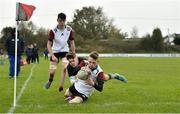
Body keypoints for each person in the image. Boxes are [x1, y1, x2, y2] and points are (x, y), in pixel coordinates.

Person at [44, 12, 76, 92]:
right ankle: (50, 81)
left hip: (65, 51)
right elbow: (48, 44)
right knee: (52, 71)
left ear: (65, 21)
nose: (62, 22)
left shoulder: (69, 29)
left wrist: (74, 53)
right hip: (55, 51)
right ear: (57, 20)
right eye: (60, 20)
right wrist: (52, 55)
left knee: (65, 66)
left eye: (63, 21)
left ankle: (61, 86)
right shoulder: (53, 30)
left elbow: (72, 42)